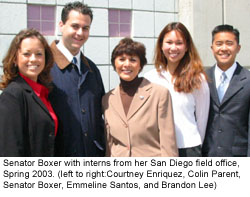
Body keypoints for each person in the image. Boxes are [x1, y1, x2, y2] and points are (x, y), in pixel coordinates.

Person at [102, 37, 178, 157]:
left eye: (132, 60)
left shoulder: (159, 94)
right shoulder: (107, 99)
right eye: (121, 59)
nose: (126, 64)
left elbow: (168, 141)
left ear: (140, 65)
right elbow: (109, 143)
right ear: (114, 63)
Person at [144, 22, 210, 157]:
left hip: (188, 148)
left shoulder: (198, 79)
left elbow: (202, 119)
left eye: (179, 43)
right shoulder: (149, 78)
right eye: (169, 42)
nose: (173, 48)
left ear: (186, 47)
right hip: (158, 149)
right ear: (161, 45)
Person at [49, 1, 105, 156]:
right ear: (61, 25)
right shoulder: (44, 67)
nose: (80, 33)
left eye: (85, 28)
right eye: (75, 26)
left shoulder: (92, 70)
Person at [0, 29, 63, 156]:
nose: (33, 59)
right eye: (26, 54)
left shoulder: (45, 92)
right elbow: (10, 150)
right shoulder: (12, 96)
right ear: (14, 59)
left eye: (39, 54)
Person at [202, 24, 250, 157]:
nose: (224, 48)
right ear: (212, 48)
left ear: (238, 48)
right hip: (207, 157)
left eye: (229, 43)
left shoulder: (248, 80)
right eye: (219, 44)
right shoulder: (201, 79)